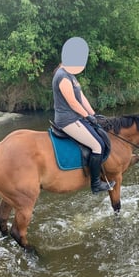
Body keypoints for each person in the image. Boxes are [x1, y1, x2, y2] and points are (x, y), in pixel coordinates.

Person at [52, 37, 115, 193]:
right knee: (97, 146)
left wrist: (94, 114)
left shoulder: (71, 76)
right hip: (67, 120)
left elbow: (81, 98)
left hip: (76, 117)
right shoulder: (62, 76)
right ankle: (95, 184)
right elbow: (73, 103)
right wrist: (87, 117)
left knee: (100, 135)